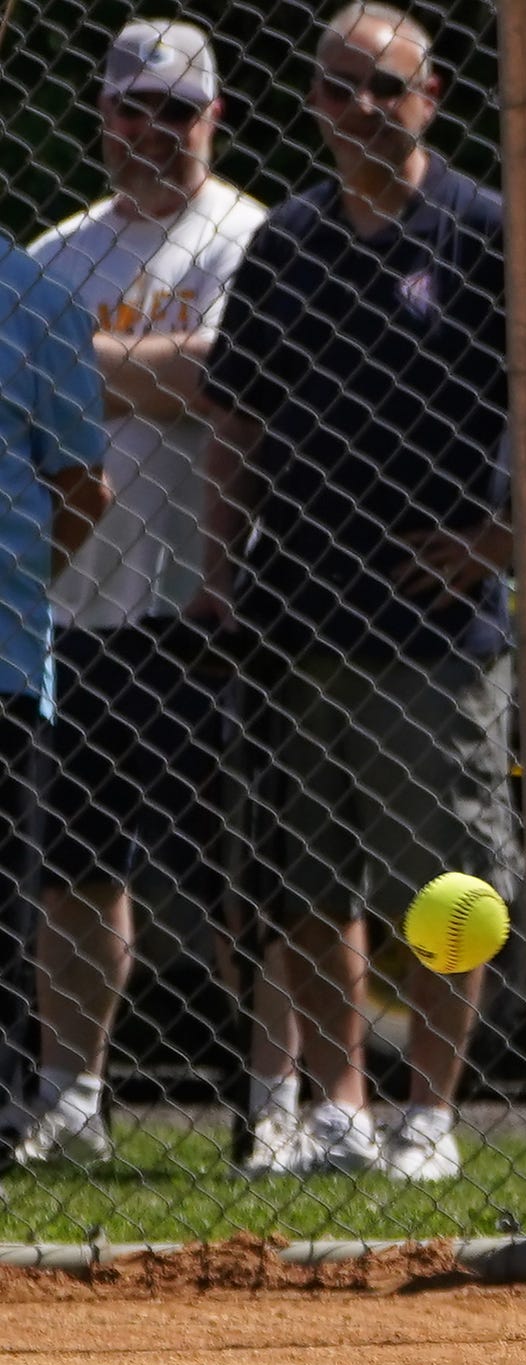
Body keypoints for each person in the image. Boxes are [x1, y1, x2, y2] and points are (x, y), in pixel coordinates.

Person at [195, 3, 526, 1180]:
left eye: (386, 88)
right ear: (312, 104)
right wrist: (216, 569)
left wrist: (507, 538)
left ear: (434, 96)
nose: (362, 109)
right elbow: (234, 417)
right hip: (296, 618)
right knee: (307, 881)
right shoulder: (286, 243)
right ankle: (339, 1109)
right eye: (340, 88)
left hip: (435, 634)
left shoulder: (489, 231)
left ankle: (427, 1118)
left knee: (446, 884)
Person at [22, 20, 272, 1165]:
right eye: (135, 108)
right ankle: (73, 1100)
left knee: (241, 881)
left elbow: (226, 385)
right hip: (76, 610)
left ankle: (273, 1103)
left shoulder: (249, 239)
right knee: (75, 871)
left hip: (210, 610)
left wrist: (74, 363)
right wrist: (139, 377)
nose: (155, 133)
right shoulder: (57, 253)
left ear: (214, 117)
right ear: (104, 114)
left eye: (179, 112)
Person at [0, 227, 113, 1154]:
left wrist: (20, 591)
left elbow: (84, 487)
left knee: (7, 905)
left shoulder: (38, 299)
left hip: (0, 658)